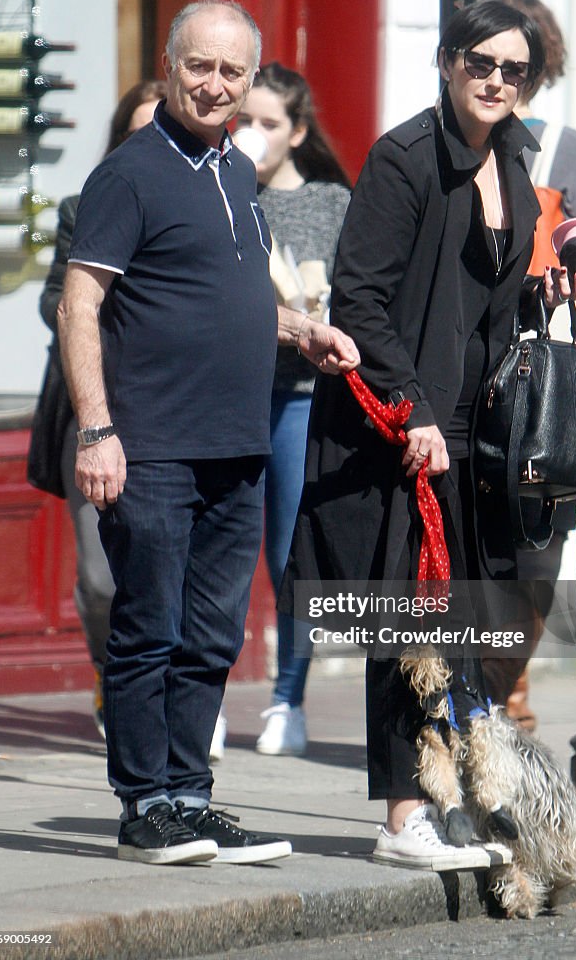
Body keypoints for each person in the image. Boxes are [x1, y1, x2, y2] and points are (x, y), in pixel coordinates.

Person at [279, 0, 576, 872]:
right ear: (449, 62)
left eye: (514, 70)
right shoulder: (405, 157)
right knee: (406, 618)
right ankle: (401, 819)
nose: (496, 80)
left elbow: (484, 301)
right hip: (399, 429)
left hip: (479, 430)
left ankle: (452, 803)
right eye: (480, 63)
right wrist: (414, 408)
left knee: (477, 622)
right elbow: (361, 299)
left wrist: (544, 294)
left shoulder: (516, 163)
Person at [56, 0, 359, 866]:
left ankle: (190, 798)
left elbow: (230, 297)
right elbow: (82, 305)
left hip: (239, 443)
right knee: (148, 627)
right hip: (150, 444)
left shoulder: (234, 169)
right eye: (200, 66)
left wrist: (303, 331)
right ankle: (142, 807)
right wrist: (96, 431)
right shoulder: (131, 173)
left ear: (251, 80)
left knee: (213, 634)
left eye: (233, 71)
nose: (216, 84)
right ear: (167, 67)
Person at [478, 0, 576, 729]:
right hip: (473, 369)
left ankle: (506, 691)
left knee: (538, 544)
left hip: (544, 378)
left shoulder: (562, 149)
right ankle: (475, 696)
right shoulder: (444, 146)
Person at [33, 79, 167, 737]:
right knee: (101, 579)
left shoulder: (207, 206)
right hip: (96, 408)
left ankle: (168, 696)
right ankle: (109, 675)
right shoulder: (83, 205)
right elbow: (54, 299)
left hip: (173, 412)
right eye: (136, 133)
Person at [232, 62, 351, 756]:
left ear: (297, 131)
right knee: (211, 553)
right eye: (243, 120)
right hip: (230, 389)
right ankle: (203, 702)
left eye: (268, 123)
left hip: (300, 396)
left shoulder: (331, 202)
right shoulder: (218, 189)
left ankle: (286, 699)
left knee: (287, 552)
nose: (253, 134)